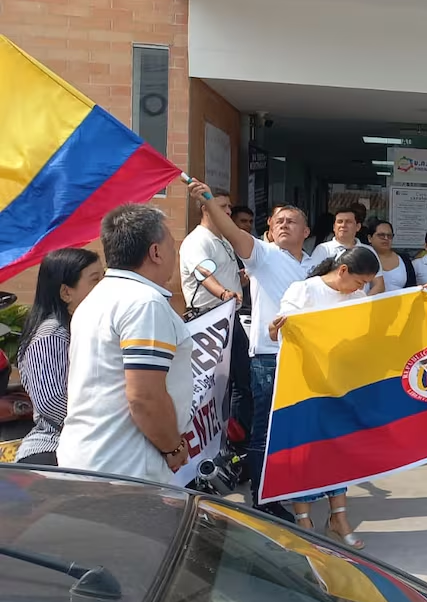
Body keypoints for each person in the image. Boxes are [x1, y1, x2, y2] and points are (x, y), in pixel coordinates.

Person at [188, 179, 314, 521]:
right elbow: (232, 231)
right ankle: (263, 499)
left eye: (292, 221)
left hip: (306, 359)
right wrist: (209, 201)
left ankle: (290, 488)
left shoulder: (312, 268)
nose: (284, 225)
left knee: (295, 430)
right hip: (270, 359)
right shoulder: (263, 255)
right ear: (269, 229)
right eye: (278, 221)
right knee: (266, 432)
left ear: (306, 232)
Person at [58, 204, 194, 483]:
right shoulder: (145, 303)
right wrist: (173, 447)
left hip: (91, 459)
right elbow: (145, 397)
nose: (175, 254)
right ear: (155, 252)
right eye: (172, 246)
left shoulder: (96, 298)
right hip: (127, 467)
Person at [268, 247, 381, 549]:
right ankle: (303, 520)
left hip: (337, 383)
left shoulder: (357, 298)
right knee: (304, 451)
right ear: (343, 271)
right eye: (359, 281)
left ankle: (338, 517)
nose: (360, 288)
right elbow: (282, 330)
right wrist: (275, 328)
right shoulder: (304, 290)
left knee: (337, 449)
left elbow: (363, 338)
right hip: (303, 384)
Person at [14, 249, 104, 465]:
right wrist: (103, 426)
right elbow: (51, 400)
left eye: (104, 277)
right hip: (54, 448)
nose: (104, 287)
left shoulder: (80, 328)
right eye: (95, 280)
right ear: (66, 292)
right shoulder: (51, 335)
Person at [179, 188, 254, 444]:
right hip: (207, 319)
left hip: (229, 318)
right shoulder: (197, 240)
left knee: (241, 380)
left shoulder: (223, 239)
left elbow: (224, 275)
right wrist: (223, 293)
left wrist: (238, 282)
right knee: (211, 386)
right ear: (205, 209)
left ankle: (237, 439)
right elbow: (203, 274)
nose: (228, 211)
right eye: (222, 207)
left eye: (229, 207)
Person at [310, 205, 385, 295]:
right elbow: (313, 279)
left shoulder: (368, 251)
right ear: (334, 227)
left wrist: (363, 301)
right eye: (339, 222)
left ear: (358, 227)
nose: (343, 225)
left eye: (348, 222)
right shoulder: (322, 249)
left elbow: (379, 285)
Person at [367, 220, 416, 291]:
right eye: (381, 235)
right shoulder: (363, 259)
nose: (386, 238)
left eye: (389, 236)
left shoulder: (404, 260)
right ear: (370, 238)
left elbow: (412, 288)